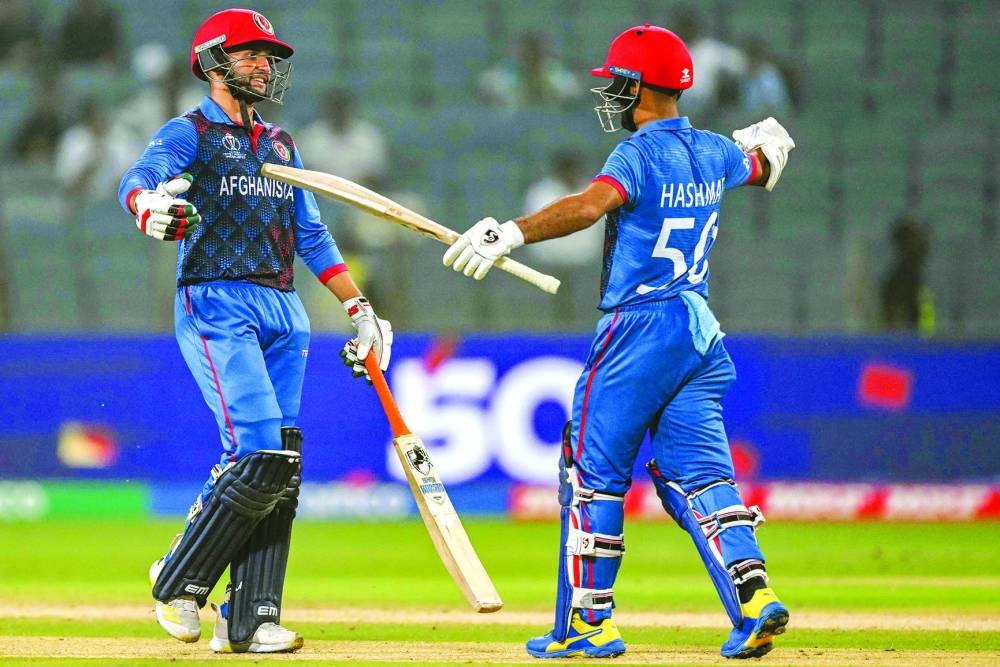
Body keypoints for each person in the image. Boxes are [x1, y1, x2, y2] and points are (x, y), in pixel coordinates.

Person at [443, 24, 796, 660]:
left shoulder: (635, 155)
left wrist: (511, 233)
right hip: (697, 328)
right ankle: (754, 598)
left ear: (639, 87)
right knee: (704, 479)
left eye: (617, 83)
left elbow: (589, 205)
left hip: (639, 327)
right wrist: (767, 148)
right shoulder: (715, 150)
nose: (610, 94)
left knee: (590, 473)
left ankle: (587, 624)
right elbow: (762, 163)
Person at [117, 9, 392, 654]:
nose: (263, 65)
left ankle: (250, 619)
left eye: (267, 57)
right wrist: (150, 205)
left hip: (283, 308)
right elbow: (138, 181)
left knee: (282, 465)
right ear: (213, 63)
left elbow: (313, 236)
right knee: (261, 451)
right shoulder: (191, 133)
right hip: (216, 302)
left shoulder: (281, 145)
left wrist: (359, 308)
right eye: (248, 55)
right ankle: (181, 578)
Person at [477, 31, 582, 108]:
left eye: (536, 55)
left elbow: (572, 94)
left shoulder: (558, 76)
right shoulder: (498, 77)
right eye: (527, 55)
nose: (532, 59)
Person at [880, 213, 933, 333]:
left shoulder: (918, 277)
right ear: (903, 246)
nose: (924, 244)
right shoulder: (898, 283)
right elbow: (898, 328)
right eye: (917, 239)